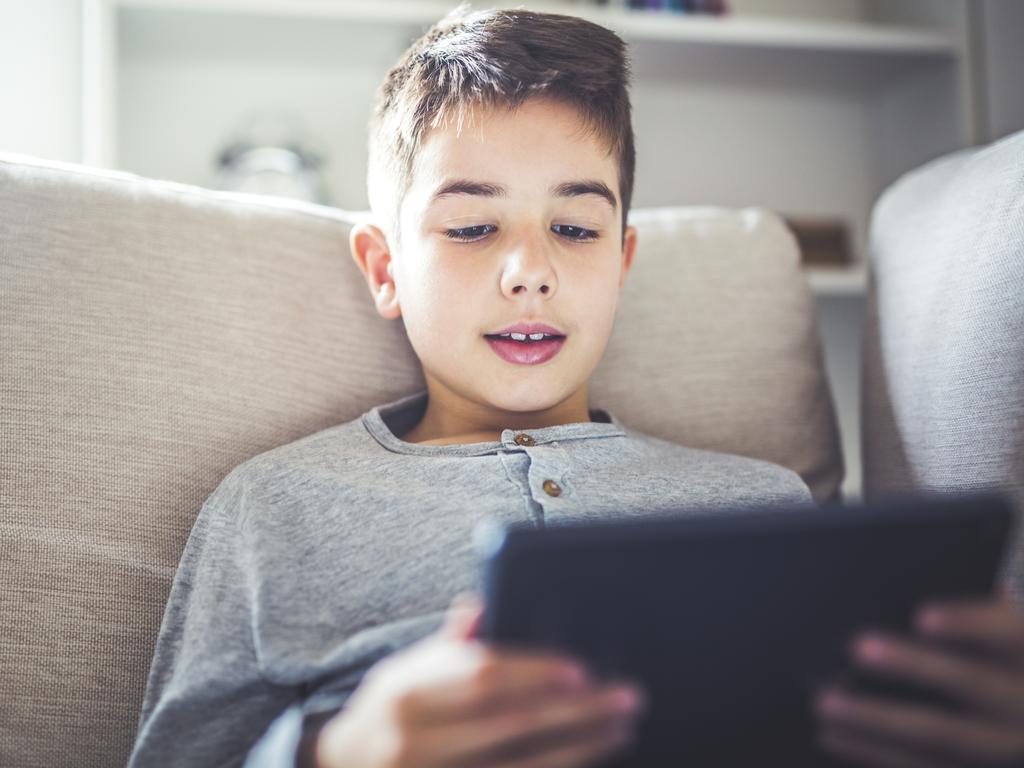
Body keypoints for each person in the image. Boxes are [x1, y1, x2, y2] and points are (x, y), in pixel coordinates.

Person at [127, 5, 1024, 768]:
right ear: (385, 268)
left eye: (576, 228)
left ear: (623, 263)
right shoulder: (273, 509)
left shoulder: (762, 505)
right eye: (474, 227)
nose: (530, 271)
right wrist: (333, 750)